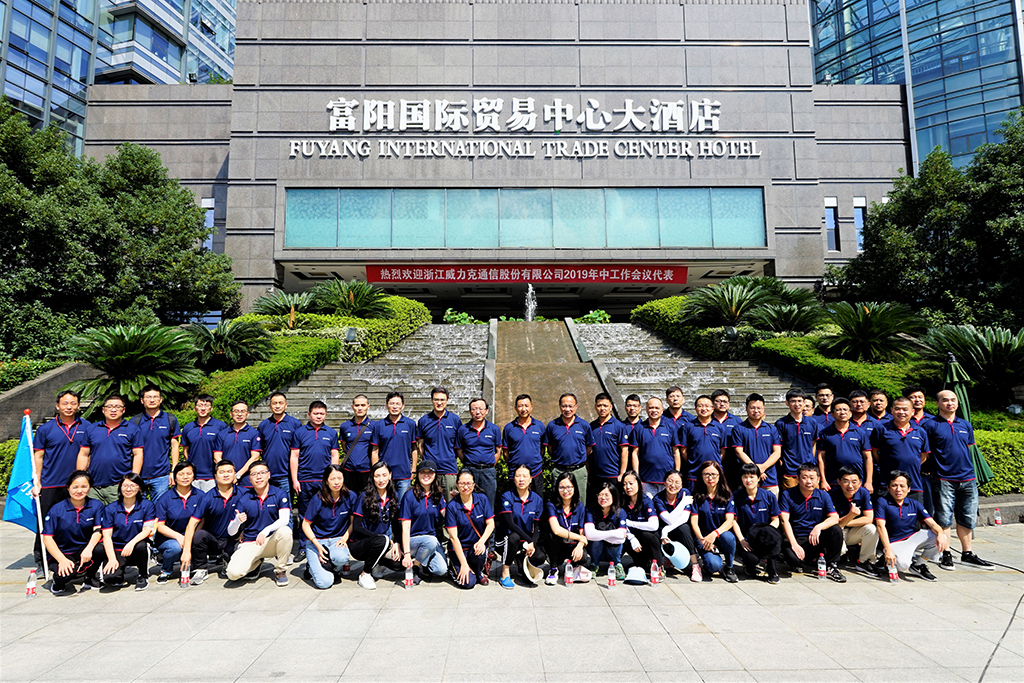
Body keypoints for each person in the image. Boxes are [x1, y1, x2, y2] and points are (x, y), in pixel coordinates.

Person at [920, 390, 994, 571]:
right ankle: (945, 554)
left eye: (953, 400)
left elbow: (968, 448)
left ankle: (967, 553)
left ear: (958, 403)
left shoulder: (965, 425)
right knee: (944, 518)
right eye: (945, 400)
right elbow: (924, 452)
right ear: (937, 403)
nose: (950, 403)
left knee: (967, 517)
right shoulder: (930, 425)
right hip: (943, 478)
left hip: (968, 478)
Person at [32, 390, 91, 570]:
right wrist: (37, 481)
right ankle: (42, 560)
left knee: (77, 522)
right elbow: (38, 457)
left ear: (78, 406)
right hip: (51, 484)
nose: (69, 407)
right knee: (45, 523)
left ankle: (76, 557)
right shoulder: (45, 429)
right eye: (65, 403)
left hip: (78, 486)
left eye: (73, 403)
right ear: (57, 406)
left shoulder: (88, 427)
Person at [225, 462, 293, 586]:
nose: (259, 476)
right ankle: (256, 562)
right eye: (254, 474)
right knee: (233, 574)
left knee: (285, 531)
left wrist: (266, 530)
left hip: (271, 541)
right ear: (250, 478)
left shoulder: (279, 493)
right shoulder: (244, 499)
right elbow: (231, 531)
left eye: (262, 473)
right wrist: (237, 521)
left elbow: (285, 519)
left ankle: (280, 570)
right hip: (251, 542)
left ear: (269, 475)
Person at [875, 471, 948, 581]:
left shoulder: (915, 504)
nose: (898, 489)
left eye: (902, 486)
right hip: (893, 542)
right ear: (888, 488)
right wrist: (888, 549)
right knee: (903, 565)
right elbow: (880, 526)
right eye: (894, 485)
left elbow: (932, 523)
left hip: (912, 538)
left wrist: (941, 533)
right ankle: (885, 560)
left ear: (908, 489)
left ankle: (919, 565)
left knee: (941, 537)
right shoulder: (882, 502)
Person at [42, 470, 106, 595]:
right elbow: (47, 538)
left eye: (84, 486)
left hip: (83, 549)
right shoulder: (57, 509)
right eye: (75, 487)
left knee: (100, 549)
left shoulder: (96, 505)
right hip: (62, 552)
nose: (79, 491)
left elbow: (98, 530)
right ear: (68, 488)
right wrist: (62, 560)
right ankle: (58, 582)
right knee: (66, 574)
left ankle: (89, 577)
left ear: (90, 487)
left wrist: (89, 548)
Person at [779, 464, 844, 581]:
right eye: (804, 477)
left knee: (836, 530)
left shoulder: (823, 495)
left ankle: (832, 565)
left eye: (812, 478)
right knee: (793, 560)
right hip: (796, 537)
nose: (809, 481)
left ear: (818, 479)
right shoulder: (787, 494)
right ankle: (803, 561)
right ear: (798, 479)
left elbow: (835, 518)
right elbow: (784, 520)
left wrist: (819, 527)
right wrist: (794, 544)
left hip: (814, 537)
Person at [181, 460, 242, 585]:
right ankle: (201, 569)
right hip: (213, 540)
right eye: (222, 472)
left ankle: (229, 561)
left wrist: (245, 532)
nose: (226, 475)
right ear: (215, 476)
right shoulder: (206, 497)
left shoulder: (244, 494)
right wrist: (186, 552)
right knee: (199, 535)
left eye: (229, 471)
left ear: (235, 474)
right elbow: (192, 524)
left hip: (234, 540)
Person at [77, 395, 144, 504]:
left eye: (117, 406)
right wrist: (80, 478)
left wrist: (133, 479)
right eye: (109, 406)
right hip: (94, 486)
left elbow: (138, 454)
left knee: (118, 514)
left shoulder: (133, 429)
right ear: (103, 410)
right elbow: (83, 454)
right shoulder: (92, 429)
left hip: (119, 485)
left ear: (123, 410)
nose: (113, 410)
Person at [301, 464, 358, 589]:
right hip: (317, 541)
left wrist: (344, 538)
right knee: (325, 583)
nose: (337, 482)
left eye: (340, 478)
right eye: (332, 479)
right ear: (326, 481)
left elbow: (353, 522)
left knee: (341, 558)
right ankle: (312, 567)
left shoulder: (350, 496)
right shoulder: (317, 499)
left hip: (337, 540)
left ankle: (331, 567)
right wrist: (317, 545)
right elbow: (305, 524)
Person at [99, 473, 156, 590]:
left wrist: (131, 543)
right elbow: (107, 536)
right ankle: (119, 574)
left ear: (139, 487)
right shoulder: (110, 508)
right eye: (125, 486)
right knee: (110, 578)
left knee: (141, 545)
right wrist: (112, 559)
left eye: (133, 485)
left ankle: (143, 575)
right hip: (117, 548)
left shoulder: (147, 505)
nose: (128, 489)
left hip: (136, 547)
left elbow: (147, 530)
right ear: (120, 487)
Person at [350, 461, 402, 589]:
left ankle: (377, 564)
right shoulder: (364, 496)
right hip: (360, 543)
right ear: (372, 477)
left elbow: (396, 524)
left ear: (390, 475)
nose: (381, 480)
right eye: (377, 476)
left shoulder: (394, 495)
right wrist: (378, 538)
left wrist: (397, 543)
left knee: (400, 565)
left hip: (382, 543)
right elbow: (356, 527)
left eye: (384, 475)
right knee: (382, 540)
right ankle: (365, 574)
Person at [495, 464, 547, 589]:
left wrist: (533, 543)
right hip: (506, 540)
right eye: (518, 476)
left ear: (531, 479)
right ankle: (505, 572)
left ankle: (521, 561)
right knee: (514, 537)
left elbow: (537, 526)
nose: (521, 479)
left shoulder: (537, 499)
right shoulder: (507, 496)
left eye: (525, 476)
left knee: (540, 556)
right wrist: (529, 540)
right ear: (514, 479)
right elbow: (510, 524)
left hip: (525, 541)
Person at [870, 397, 930, 504]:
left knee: (913, 513)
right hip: (887, 483)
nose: (901, 412)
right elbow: (874, 452)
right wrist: (887, 464)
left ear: (912, 412)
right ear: (891, 410)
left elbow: (924, 456)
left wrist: (911, 464)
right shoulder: (881, 429)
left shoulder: (920, 432)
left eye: (905, 409)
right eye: (897, 409)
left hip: (913, 484)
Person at [732, 462, 782, 583]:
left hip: (764, 537)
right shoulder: (736, 496)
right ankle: (749, 567)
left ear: (759, 478)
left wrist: (767, 532)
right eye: (745, 477)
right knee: (752, 559)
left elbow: (776, 519)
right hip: (746, 539)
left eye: (752, 476)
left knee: (774, 537)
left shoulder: (768, 496)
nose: (748, 480)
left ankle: (772, 570)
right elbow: (733, 521)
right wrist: (741, 540)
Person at [400, 461, 448, 584]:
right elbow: (405, 527)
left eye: (430, 472)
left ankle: (420, 562)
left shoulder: (438, 495)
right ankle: (416, 568)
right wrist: (406, 553)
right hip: (413, 541)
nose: (426, 475)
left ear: (435, 475)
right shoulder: (409, 495)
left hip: (431, 542)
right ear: (418, 474)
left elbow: (447, 516)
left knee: (441, 570)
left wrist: (457, 500)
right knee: (431, 541)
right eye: (423, 472)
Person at [445, 469, 495, 588]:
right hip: (459, 549)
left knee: (480, 551)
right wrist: (463, 564)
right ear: (457, 484)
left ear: (474, 484)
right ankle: (454, 568)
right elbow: (453, 537)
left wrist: (481, 541)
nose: (466, 487)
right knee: (468, 583)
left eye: (469, 483)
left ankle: (478, 572)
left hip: (475, 547)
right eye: (462, 484)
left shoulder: (482, 499)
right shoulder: (452, 506)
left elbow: (491, 524)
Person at [289, 400, 339, 520]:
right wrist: (295, 480)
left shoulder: (331, 433)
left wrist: (333, 477)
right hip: (305, 479)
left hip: (324, 479)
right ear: (309, 414)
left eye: (322, 414)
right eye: (316, 413)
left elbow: (334, 455)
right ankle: (304, 532)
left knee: (325, 510)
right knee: (304, 512)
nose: (319, 416)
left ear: (326, 415)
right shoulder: (299, 432)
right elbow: (294, 456)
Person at [689, 461, 738, 583]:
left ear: (719, 476)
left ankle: (729, 567)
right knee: (714, 566)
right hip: (704, 537)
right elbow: (694, 522)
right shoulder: (696, 496)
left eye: (713, 474)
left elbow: (730, 521)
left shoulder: (727, 495)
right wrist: (702, 540)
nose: (710, 478)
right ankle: (708, 561)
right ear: (701, 476)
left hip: (721, 534)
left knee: (729, 537)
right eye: (706, 474)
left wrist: (715, 534)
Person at [153, 462, 202, 584]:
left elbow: (203, 520)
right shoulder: (165, 498)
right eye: (181, 474)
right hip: (169, 538)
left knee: (199, 540)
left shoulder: (201, 496)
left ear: (194, 476)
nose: (185, 477)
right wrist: (179, 537)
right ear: (174, 477)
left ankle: (195, 567)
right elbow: (159, 525)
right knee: (175, 547)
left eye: (189, 473)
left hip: (192, 534)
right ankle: (166, 570)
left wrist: (190, 537)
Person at [131, 385, 181, 500]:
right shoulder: (135, 421)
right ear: (142, 400)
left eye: (155, 397)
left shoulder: (170, 420)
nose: (152, 400)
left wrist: (174, 471)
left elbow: (174, 447)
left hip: (161, 475)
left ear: (161, 399)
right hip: (139, 474)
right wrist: (133, 475)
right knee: (138, 507)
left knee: (160, 508)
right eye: (148, 397)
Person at [543, 393, 595, 504]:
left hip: (578, 470)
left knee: (580, 502)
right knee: (559, 501)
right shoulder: (552, 425)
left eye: (570, 406)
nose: (567, 409)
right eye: (564, 406)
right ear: (559, 406)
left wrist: (578, 457)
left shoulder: (584, 425)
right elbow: (550, 448)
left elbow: (589, 448)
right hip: (559, 470)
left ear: (576, 406)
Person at [652, 470, 702, 581]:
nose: (673, 485)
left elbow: (684, 518)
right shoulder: (658, 498)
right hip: (665, 536)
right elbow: (668, 519)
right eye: (670, 481)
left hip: (679, 531)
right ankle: (665, 561)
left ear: (682, 484)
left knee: (684, 528)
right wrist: (683, 503)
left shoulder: (685, 493)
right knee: (656, 533)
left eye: (677, 482)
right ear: (664, 482)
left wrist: (667, 529)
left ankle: (695, 565)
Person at [816, 398, 873, 493]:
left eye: (845, 409)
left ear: (850, 413)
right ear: (832, 414)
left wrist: (869, 481)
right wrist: (823, 480)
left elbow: (868, 458)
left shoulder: (860, 432)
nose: (842, 412)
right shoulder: (825, 433)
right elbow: (821, 458)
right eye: (838, 410)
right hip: (833, 481)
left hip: (856, 481)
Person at [830, 466, 879, 575]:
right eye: (846, 481)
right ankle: (831, 562)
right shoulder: (832, 495)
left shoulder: (863, 493)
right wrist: (851, 515)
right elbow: (835, 522)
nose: (850, 486)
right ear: (838, 481)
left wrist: (846, 522)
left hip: (852, 530)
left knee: (872, 529)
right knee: (841, 551)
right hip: (838, 531)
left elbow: (869, 518)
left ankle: (863, 562)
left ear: (860, 483)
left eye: (854, 482)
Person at [455, 398, 502, 510]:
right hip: (470, 470)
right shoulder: (463, 429)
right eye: (474, 409)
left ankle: (489, 522)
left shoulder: (494, 429)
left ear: (487, 411)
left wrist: (490, 464)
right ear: (470, 411)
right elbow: (459, 450)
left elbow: (498, 450)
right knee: (468, 501)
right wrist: (468, 463)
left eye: (481, 409)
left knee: (489, 502)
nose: (478, 412)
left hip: (488, 472)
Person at [730, 393, 782, 495]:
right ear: (746, 409)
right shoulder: (739, 429)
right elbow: (739, 452)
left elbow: (777, 452)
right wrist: (755, 470)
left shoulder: (772, 429)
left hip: (769, 478)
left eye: (759, 408)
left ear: (764, 409)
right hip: (747, 478)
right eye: (752, 408)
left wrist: (762, 468)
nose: (756, 411)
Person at [371, 391, 419, 500]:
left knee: (403, 504)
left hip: (404, 474)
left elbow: (414, 449)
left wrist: (413, 470)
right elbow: (375, 451)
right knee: (385, 503)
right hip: (384, 475)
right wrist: (376, 471)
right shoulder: (379, 425)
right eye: (392, 403)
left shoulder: (410, 424)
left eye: (397, 404)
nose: (395, 406)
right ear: (386, 405)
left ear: (403, 406)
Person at [544, 471, 590, 585]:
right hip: (557, 546)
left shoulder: (580, 506)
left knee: (583, 556)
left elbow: (582, 532)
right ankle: (553, 568)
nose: (565, 491)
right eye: (562, 487)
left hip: (571, 545)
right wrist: (580, 538)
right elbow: (556, 529)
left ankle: (572, 567)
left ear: (574, 488)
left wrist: (580, 545)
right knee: (552, 535)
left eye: (569, 487)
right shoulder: (551, 505)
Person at [630, 397, 680, 498]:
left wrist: (677, 473)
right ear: (646, 409)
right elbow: (635, 453)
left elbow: (676, 452)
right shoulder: (639, 428)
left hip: (668, 480)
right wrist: (636, 476)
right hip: (646, 480)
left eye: (657, 408)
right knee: (648, 506)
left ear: (662, 410)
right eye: (651, 408)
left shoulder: (670, 427)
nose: (654, 410)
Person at [416, 387, 462, 498]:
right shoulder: (424, 421)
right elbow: (420, 446)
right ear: (431, 400)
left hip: (449, 470)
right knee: (429, 502)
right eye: (436, 399)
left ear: (447, 400)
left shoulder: (455, 420)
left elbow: (459, 446)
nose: (439, 403)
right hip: (429, 471)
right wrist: (427, 461)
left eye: (442, 400)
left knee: (451, 503)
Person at [620, 470, 666, 578]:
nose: (628, 487)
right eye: (625, 484)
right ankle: (639, 563)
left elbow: (654, 525)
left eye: (631, 483)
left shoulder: (646, 501)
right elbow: (620, 524)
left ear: (639, 484)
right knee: (621, 535)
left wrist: (631, 523)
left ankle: (659, 566)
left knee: (648, 534)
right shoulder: (622, 502)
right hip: (633, 542)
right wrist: (632, 538)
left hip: (646, 541)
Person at [679, 395, 727, 491]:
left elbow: (723, 450)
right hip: (694, 472)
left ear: (712, 409)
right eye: (700, 406)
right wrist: (693, 462)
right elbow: (683, 450)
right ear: (695, 408)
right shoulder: (688, 426)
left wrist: (714, 464)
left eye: (707, 406)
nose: (704, 408)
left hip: (714, 473)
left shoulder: (719, 427)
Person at [501, 394, 546, 496]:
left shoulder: (539, 426)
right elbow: (505, 453)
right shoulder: (509, 428)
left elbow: (542, 449)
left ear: (531, 407)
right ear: (515, 408)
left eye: (526, 406)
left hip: (535, 473)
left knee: (537, 500)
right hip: (516, 474)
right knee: (515, 501)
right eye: (520, 406)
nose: (523, 409)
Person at [775, 388, 820, 491]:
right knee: (791, 498)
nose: (797, 404)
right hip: (790, 471)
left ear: (804, 403)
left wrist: (811, 460)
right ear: (787, 403)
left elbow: (813, 443)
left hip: (809, 470)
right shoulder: (781, 423)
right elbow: (779, 446)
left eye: (800, 401)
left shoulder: (812, 422)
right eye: (793, 401)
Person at [257, 391, 302, 491]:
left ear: (286, 405)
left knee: (286, 501)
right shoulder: (263, 425)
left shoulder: (295, 424)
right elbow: (260, 449)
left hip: (286, 475)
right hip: (267, 474)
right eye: (274, 403)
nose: (277, 406)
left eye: (280, 403)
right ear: (270, 406)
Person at [181, 394, 226, 492]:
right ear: (195, 408)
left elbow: (224, 449)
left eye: (206, 405)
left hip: (212, 476)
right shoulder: (188, 427)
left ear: (211, 408)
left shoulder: (220, 426)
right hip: (193, 476)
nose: (203, 408)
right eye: (200, 405)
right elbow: (185, 450)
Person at [589, 392, 629, 499]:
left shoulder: (619, 426)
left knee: (615, 503)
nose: (602, 408)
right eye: (599, 405)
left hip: (613, 475)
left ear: (611, 407)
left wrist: (622, 473)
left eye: (605, 405)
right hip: (596, 475)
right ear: (595, 407)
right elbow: (588, 450)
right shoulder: (591, 426)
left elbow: (625, 450)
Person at [584, 482, 627, 581]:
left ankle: (617, 564)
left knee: (613, 541)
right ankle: (594, 564)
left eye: (607, 495)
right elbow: (589, 535)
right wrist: (613, 534)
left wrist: (598, 534)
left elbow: (621, 536)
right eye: (600, 495)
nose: (603, 498)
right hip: (596, 549)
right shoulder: (591, 511)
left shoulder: (620, 512)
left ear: (614, 496)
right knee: (596, 540)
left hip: (613, 549)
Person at [213, 401, 261, 487]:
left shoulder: (254, 433)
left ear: (247, 414)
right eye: (236, 411)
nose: (239, 414)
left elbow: (255, 457)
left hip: (247, 481)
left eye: (243, 411)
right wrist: (227, 473)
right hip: (226, 480)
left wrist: (238, 475)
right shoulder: (222, 434)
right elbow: (217, 457)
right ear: (231, 414)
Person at [339, 394, 375, 494]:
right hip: (349, 471)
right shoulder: (345, 426)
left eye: (363, 405)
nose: (360, 408)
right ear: (352, 407)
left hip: (367, 471)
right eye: (357, 405)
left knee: (367, 499)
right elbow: (344, 446)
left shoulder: (374, 426)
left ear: (368, 406)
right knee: (350, 498)